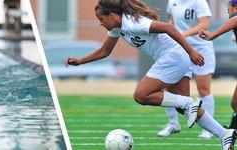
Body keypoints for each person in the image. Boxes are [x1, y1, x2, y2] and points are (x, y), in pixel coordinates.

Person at [65, 0, 235, 149]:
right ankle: (225, 134)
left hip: (173, 56)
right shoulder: (118, 28)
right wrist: (80, 61)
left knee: (141, 95)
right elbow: (104, 51)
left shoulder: (133, 23)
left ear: (112, 15)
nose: (100, 23)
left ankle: (189, 102)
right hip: (176, 58)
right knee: (183, 108)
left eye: (101, 19)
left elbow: (168, 27)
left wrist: (191, 51)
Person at [159, 0, 216, 138]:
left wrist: (182, 35)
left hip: (201, 49)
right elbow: (171, 21)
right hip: (180, 50)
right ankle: (173, 124)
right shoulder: (172, 1)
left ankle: (207, 129)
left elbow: (204, 24)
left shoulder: (199, 2)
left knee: (203, 89)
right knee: (169, 85)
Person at [199, 0, 237, 132]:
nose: (228, 11)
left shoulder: (235, 16)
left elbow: (235, 20)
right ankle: (234, 129)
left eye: (229, 9)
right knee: (235, 103)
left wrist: (212, 35)